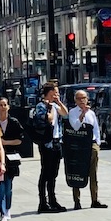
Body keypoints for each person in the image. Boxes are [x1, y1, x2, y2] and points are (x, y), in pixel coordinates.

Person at [68, 89, 107, 210]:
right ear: (75, 100)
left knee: (93, 173)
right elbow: (75, 126)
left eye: (84, 98)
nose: (82, 101)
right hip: (78, 146)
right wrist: (82, 115)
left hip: (91, 144)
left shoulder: (91, 113)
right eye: (79, 99)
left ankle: (94, 199)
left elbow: (96, 129)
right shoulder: (73, 112)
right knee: (78, 172)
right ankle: (77, 201)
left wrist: (97, 143)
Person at [34, 82, 69, 213]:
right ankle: (43, 202)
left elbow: (65, 114)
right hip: (46, 143)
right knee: (45, 173)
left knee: (53, 174)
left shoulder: (55, 105)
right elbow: (48, 119)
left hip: (56, 142)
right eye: (56, 92)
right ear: (50, 93)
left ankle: (53, 200)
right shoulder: (41, 106)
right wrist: (50, 107)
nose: (58, 94)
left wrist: (58, 103)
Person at [0, 97, 24, 221]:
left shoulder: (14, 122)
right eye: (0, 105)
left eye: (5, 105)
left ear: (8, 107)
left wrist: (5, 142)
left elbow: (20, 140)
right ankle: (2, 212)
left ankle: (7, 209)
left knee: (8, 186)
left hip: (11, 157)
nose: (3, 107)